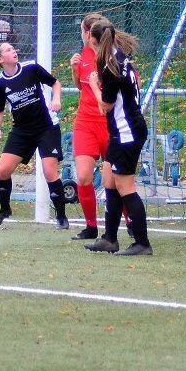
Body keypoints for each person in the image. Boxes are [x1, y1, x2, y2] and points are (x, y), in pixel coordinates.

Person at [83, 20, 152, 256]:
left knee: (125, 186)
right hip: (123, 130)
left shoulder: (110, 66)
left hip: (126, 131)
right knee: (109, 181)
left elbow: (106, 106)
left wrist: (94, 85)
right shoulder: (120, 57)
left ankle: (142, 243)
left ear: (92, 39)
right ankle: (109, 239)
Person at [69, 12, 137, 241]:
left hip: (110, 124)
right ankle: (91, 226)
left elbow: (118, 93)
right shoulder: (83, 55)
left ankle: (131, 222)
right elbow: (81, 86)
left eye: (83, 30)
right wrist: (74, 70)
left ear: (90, 33)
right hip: (85, 123)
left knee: (117, 180)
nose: (82, 34)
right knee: (83, 177)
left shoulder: (113, 56)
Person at [0, 42, 69, 229]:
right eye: (8, 50)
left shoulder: (31, 68)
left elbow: (55, 83)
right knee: (3, 171)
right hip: (22, 130)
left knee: (50, 172)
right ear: (0, 59)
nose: (13, 51)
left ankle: (61, 216)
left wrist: (56, 99)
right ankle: (4, 209)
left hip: (46, 127)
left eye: (13, 48)